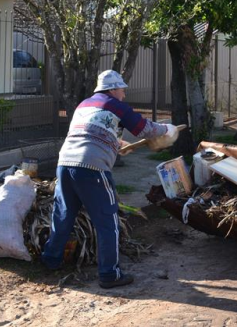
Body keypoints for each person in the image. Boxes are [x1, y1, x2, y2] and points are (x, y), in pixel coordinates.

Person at [41, 69, 178, 288]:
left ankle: (51, 259)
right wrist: (166, 128)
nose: (124, 94)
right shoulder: (115, 105)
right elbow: (144, 129)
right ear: (112, 89)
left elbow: (89, 132)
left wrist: (116, 145)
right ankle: (109, 274)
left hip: (65, 164)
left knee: (63, 214)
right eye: (122, 90)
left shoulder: (84, 105)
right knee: (107, 220)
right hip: (92, 168)